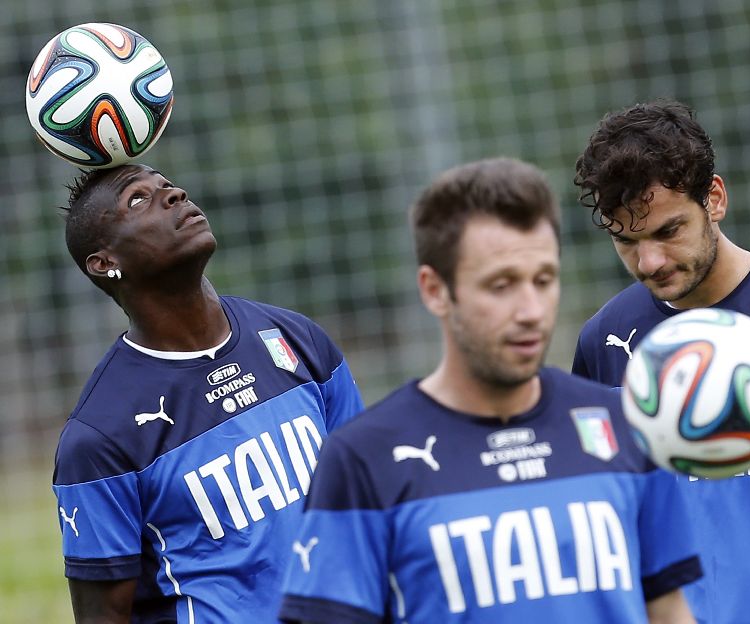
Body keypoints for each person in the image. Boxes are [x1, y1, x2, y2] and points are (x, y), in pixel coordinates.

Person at [278, 157, 701, 624]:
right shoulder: (363, 459)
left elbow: (669, 611)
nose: (530, 310)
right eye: (501, 285)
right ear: (435, 290)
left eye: (543, 280)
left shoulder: (624, 424)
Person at [52, 164, 364, 623]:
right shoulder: (98, 437)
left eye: (167, 185)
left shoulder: (295, 338)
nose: (175, 194)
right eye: (138, 199)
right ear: (105, 263)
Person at [572, 99, 750, 623]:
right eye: (625, 240)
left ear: (714, 199)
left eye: (668, 231)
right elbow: (597, 518)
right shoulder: (604, 343)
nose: (649, 262)